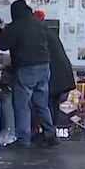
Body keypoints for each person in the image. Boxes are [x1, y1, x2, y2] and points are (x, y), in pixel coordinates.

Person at [0, 0, 59, 149]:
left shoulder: (16, 26)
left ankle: (23, 139)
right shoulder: (40, 24)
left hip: (27, 68)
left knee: (22, 104)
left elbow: (2, 45)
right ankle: (50, 134)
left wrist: (3, 30)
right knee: (42, 104)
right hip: (44, 66)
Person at [33, 10, 75, 142]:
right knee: (53, 104)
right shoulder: (49, 32)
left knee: (47, 104)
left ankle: (49, 135)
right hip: (61, 74)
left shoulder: (40, 34)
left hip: (55, 75)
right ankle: (51, 133)